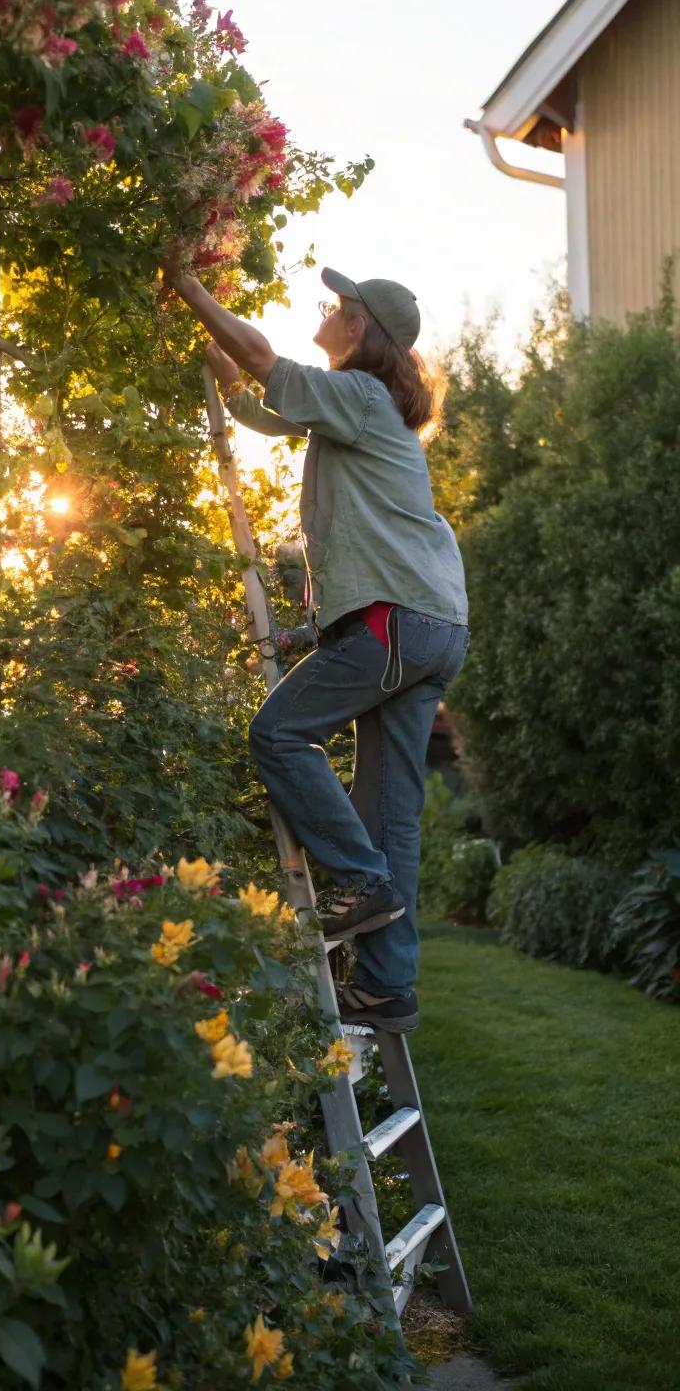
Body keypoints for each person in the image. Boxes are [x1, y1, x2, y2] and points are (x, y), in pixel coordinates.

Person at [164, 262, 468, 1033]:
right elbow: (270, 407)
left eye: (338, 305)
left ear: (361, 328)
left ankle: (360, 881)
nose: (325, 309)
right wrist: (230, 384)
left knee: (278, 732)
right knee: (394, 811)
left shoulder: (361, 397)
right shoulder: (365, 408)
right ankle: (389, 987)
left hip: (397, 623)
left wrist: (190, 289)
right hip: (432, 627)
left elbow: (272, 365)